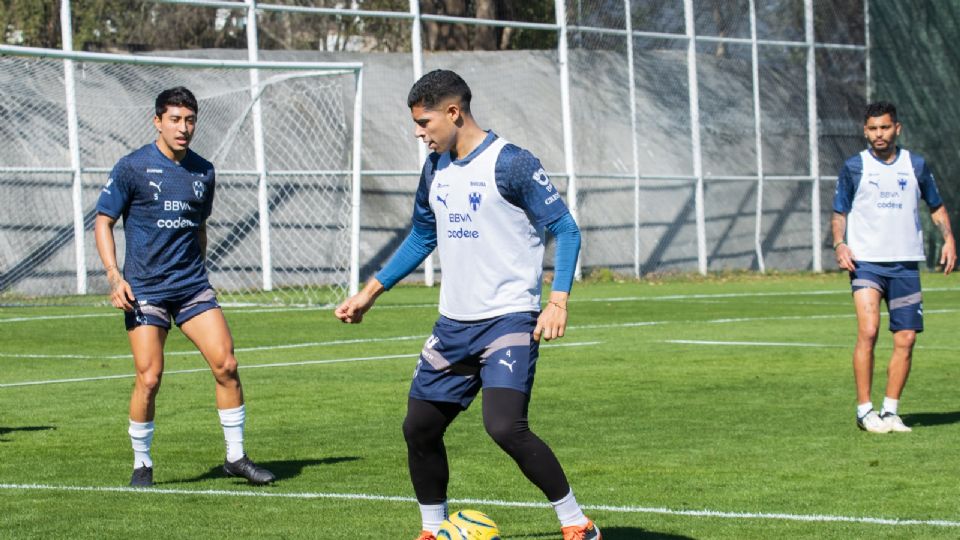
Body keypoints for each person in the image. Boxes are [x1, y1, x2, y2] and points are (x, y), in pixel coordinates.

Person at [334, 70, 601, 540]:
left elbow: (566, 228)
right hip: (453, 325)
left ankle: (577, 523)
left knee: (504, 426)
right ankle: (432, 530)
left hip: (508, 320)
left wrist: (557, 300)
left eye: (424, 121)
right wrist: (369, 293)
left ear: (453, 113)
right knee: (418, 427)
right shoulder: (434, 168)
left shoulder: (511, 163)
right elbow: (422, 234)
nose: (419, 133)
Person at [94, 87, 275, 487]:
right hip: (144, 288)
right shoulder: (132, 167)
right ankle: (142, 464)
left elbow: (200, 227)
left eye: (190, 120)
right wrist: (113, 275)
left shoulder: (203, 171)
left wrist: (202, 271)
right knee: (150, 377)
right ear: (157, 121)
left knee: (227, 365)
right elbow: (103, 221)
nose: (184, 127)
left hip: (192, 286)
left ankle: (236, 457)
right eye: (175, 119)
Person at [832, 101, 956, 434]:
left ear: (896, 128)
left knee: (905, 339)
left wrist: (948, 239)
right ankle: (864, 411)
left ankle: (890, 412)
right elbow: (839, 212)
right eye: (872, 129)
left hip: (904, 265)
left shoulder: (915, 165)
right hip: (867, 264)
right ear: (865, 131)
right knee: (869, 331)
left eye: (884, 127)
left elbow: (937, 207)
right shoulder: (854, 167)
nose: (878, 134)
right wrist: (839, 244)